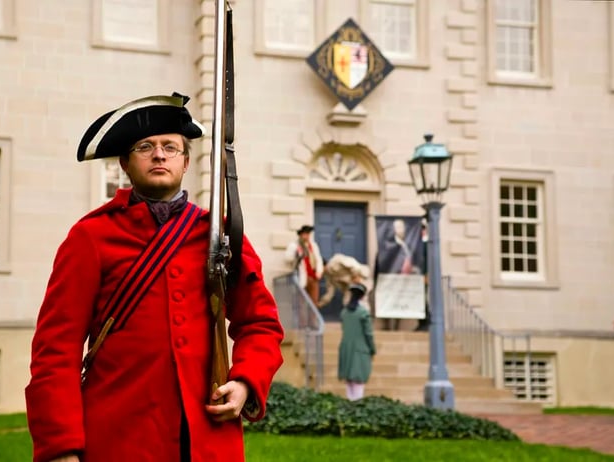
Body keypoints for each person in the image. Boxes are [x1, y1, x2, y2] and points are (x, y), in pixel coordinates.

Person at [24, 93, 284, 462]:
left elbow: (261, 323)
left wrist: (244, 381)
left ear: (185, 161)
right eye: (145, 147)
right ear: (125, 164)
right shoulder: (90, 237)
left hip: (207, 440)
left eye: (170, 147)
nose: (159, 155)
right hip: (118, 439)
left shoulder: (218, 233)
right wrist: (61, 447)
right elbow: (56, 351)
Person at [338, 281, 376, 401]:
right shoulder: (363, 313)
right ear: (362, 296)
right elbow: (368, 334)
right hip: (360, 349)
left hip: (346, 349)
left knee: (349, 382)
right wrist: (372, 349)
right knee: (358, 383)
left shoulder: (344, 313)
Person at [284, 225, 324, 306]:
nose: (307, 236)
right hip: (302, 277)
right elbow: (288, 258)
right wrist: (296, 253)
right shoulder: (294, 245)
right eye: (305, 234)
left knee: (314, 303)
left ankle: (312, 319)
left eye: (308, 234)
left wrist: (319, 271)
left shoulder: (313, 245)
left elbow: (318, 259)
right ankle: (302, 319)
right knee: (301, 303)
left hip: (313, 277)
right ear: (301, 235)